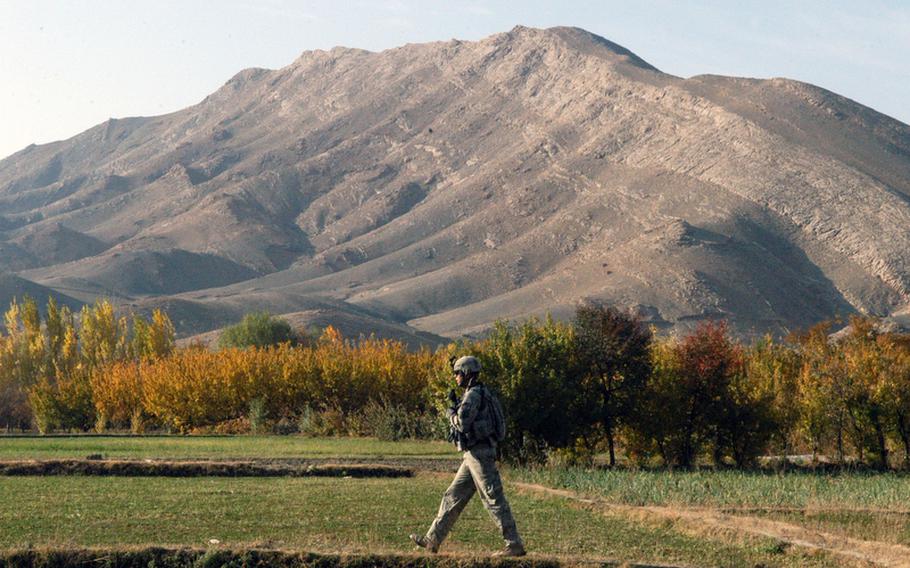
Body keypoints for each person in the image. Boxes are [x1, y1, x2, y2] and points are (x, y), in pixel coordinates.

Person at [409, 355, 526, 557]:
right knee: (453, 495)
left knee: (493, 497)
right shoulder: (479, 392)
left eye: (457, 373)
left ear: (466, 373)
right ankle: (432, 540)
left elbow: (462, 423)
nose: (455, 377)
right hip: (473, 455)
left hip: (479, 455)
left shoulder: (473, 395)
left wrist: (450, 413)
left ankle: (513, 543)